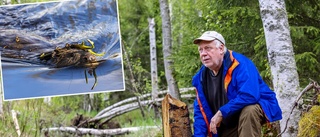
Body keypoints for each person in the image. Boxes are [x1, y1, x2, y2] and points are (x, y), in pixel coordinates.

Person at [192, 31, 282, 137]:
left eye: (208, 48)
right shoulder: (200, 78)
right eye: (200, 50)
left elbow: (250, 95)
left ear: (221, 49)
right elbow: (201, 112)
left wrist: (221, 112)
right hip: (226, 123)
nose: (203, 53)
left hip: (248, 115)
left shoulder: (240, 64)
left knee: (249, 110)